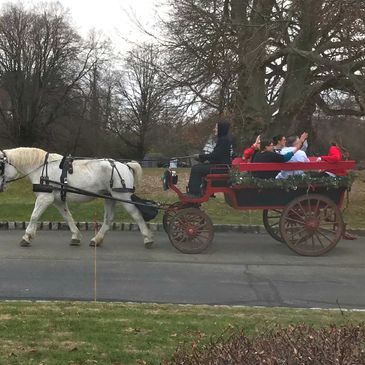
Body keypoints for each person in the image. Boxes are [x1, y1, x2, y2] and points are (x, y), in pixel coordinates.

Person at [187, 121, 233, 197]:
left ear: (221, 129)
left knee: (196, 169)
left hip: (221, 168)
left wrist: (201, 157)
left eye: (216, 128)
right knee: (198, 167)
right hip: (220, 166)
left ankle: (194, 193)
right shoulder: (223, 139)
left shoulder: (224, 140)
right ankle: (201, 190)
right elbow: (216, 156)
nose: (214, 129)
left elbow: (215, 155)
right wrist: (202, 158)